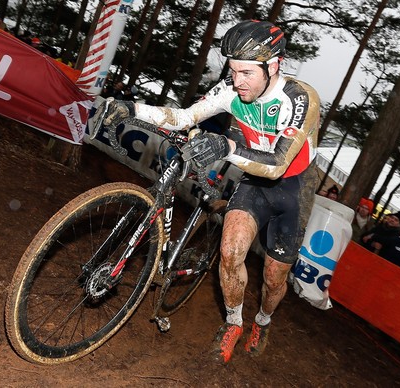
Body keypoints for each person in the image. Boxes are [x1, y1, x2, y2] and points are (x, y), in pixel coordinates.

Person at [103, 20, 320, 364]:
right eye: (232, 71)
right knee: (231, 251)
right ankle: (233, 323)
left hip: (293, 189)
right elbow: (183, 116)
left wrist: (227, 146)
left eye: (247, 72)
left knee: (274, 277)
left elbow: (278, 164)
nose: (237, 81)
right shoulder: (231, 90)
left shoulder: (299, 98)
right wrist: (132, 109)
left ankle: (262, 321)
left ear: (274, 65)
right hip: (254, 181)